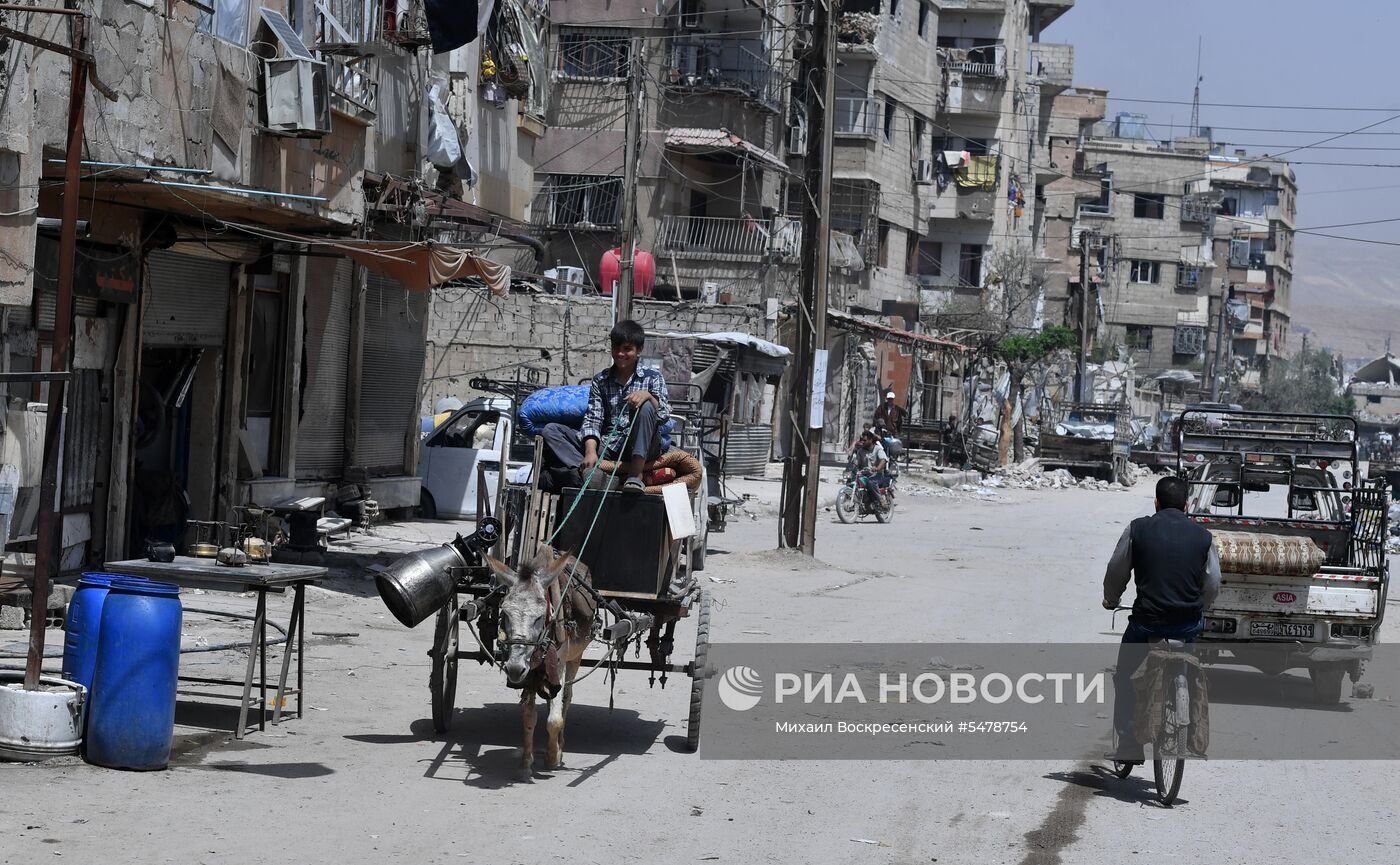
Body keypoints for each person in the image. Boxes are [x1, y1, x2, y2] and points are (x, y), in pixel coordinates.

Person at [1102, 475, 1221, 762]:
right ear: (1186, 505)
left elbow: (1117, 569)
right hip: (1187, 622)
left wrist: (1112, 598)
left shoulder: (1138, 529)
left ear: (1156, 503)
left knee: (1126, 676)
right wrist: (1201, 606)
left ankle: (1129, 744)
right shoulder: (1204, 537)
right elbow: (1213, 582)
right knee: (1188, 665)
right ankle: (1189, 734)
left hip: (1147, 622)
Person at [541, 319, 670, 494]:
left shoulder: (653, 377)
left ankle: (635, 475)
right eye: (616, 348)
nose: (620, 354)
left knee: (646, 406)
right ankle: (592, 474)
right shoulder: (600, 380)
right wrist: (590, 451)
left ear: (639, 350)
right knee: (551, 430)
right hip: (609, 444)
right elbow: (593, 419)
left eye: (627, 349)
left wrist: (649, 397)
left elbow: (664, 416)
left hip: (643, 445)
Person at [850, 428, 890, 512]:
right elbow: (856, 463)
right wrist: (853, 468)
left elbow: (883, 460)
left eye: (865, 440)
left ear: (871, 440)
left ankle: (881, 500)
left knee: (871, 482)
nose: (862, 442)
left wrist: (877, 468)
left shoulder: (877, 449)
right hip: (864, 474)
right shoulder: (860, 451)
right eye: (862, 440)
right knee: (852, 481)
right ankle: (857, 501)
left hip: (877, 475)